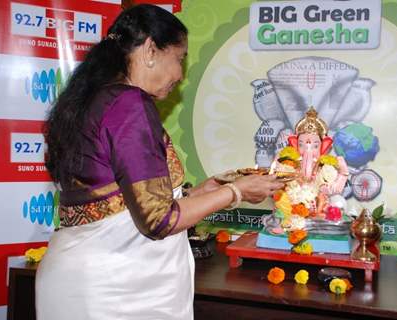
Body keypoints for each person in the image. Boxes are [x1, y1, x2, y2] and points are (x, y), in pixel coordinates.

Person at [36, 4, 284, 320]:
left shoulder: (98, 98)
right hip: (113, 292)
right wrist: (235, 192)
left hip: (86, 280)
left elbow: (126, 202)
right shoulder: (130, 103)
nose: (180, 74)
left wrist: (203, 193)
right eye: (179, 58)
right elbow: (159, 220)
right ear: (152, 49)